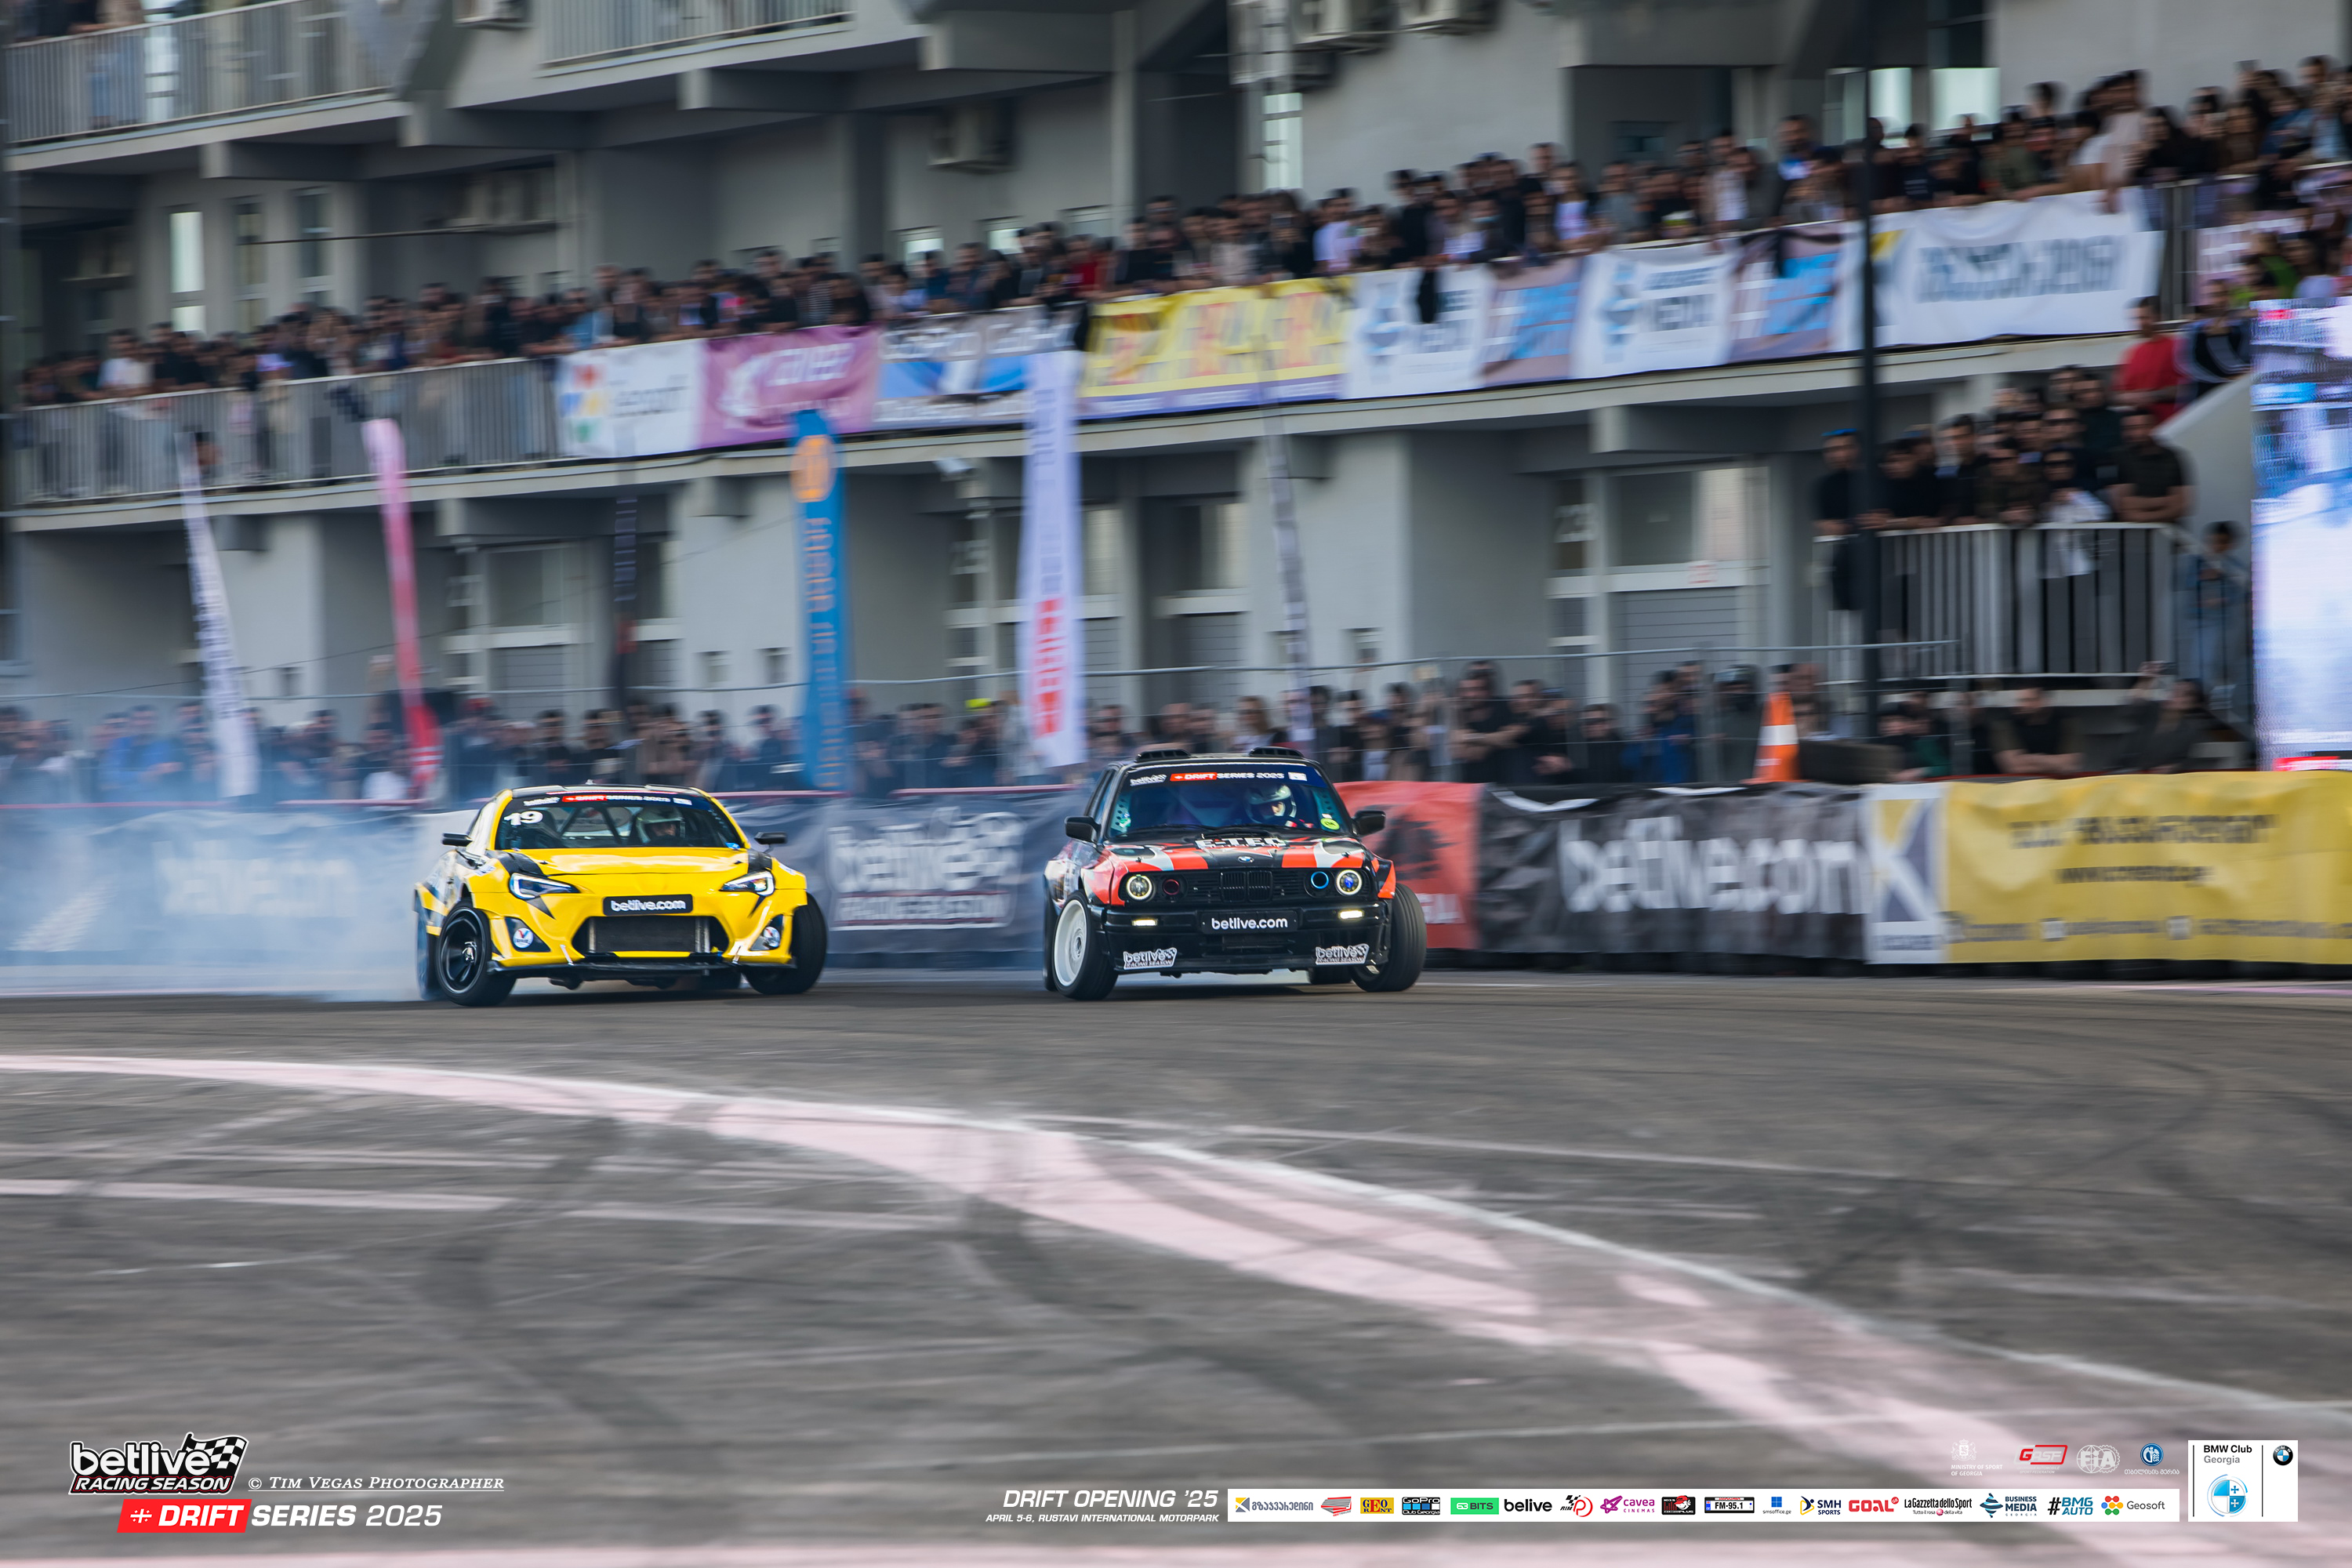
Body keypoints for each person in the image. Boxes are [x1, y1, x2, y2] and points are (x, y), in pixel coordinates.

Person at [2114, 662, 2209, 773]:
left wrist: (2173, 767)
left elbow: (2187, 760)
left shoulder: (2190, 730)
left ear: (2193, 703)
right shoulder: (2151, 709)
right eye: (2175, 690)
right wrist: (2145, 681)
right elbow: (2129, 711)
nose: (2175, 695)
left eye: (2184, 694)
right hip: (2126, 773)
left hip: (2160, 780)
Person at [2106, 410, 2192, 526]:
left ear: (2155, 427)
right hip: (2130, 531)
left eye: (2144, 427)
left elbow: (2181, 506)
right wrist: (2166, 501)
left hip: (2168, 530)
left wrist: (2140, 508)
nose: (2138, 433)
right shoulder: (2115, 457)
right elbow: (2122, 507)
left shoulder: (2172, 456)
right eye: (2131, 428)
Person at [1446, 665, 1521, 784]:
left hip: (1504, 778)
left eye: (1478, 689)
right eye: (1467, 690)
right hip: (1466, 782)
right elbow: (1464, 752)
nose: (1472, 695)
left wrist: (1467, 737)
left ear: (1489, 691)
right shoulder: (1456, 711)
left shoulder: (1505, 706)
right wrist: (1494, 740)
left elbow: (1512, 735)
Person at [1991, 686, 2082, 776]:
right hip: (2019, 783)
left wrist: (2026, 759)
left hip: (2059, 783)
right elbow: (2014, 766)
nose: (2024, 705)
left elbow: (2070, 765)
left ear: (2044, 700)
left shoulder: (2065, 721)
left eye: (2030, 700)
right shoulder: (2005, 723)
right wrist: (2056, 762)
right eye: (2020, 701)